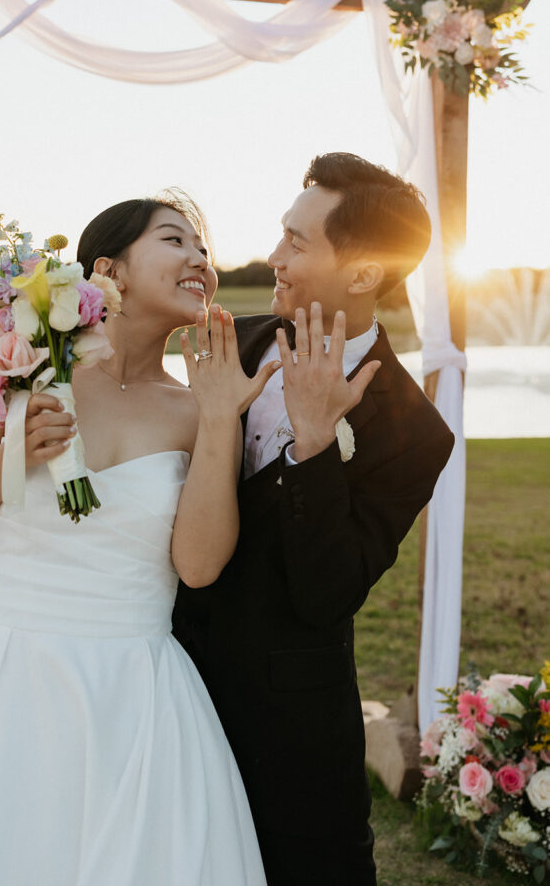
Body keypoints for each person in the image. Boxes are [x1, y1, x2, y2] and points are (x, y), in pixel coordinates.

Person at [0, 194, 279, 885]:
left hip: (138, 693)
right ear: (107, 268)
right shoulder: (26, 374)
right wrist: (13, 457)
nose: (200, 261)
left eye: (204, 251)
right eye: (177, 241)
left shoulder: (194, 409)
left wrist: (218, 420)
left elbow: (199, 566)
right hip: (7, 679)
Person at [173, 152, 456, 886]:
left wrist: (315, 445)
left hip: (287, 732)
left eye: (297, 243)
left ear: (362, 273)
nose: (273, 257)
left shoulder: (415, 433)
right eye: (281, 235)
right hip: (163, 689)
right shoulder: (228, 343)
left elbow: (326, 594)